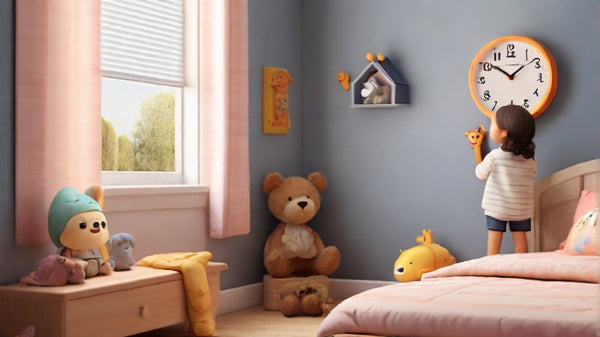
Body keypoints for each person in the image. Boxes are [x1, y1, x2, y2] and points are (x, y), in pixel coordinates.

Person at [475, 105, 537, 255]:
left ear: (504, 132)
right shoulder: (530, 161)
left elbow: (481, 174)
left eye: (493, 123)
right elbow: (532, 177)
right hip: (521, 209)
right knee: (520, 236)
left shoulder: (495, 156)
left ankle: (491, 265)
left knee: (495, 236)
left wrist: (479, 158)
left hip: (497, 207)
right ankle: (522, 267)